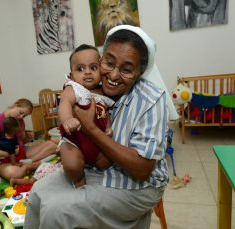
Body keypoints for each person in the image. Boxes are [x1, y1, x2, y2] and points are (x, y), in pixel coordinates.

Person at [24, 25, 169, 229]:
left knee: (58, 211)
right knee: (38, 191)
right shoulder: (90, 89)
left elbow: (142, 170)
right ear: (100, 59)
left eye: (126, 69)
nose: (114, 75)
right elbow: (67, 108)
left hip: (140, 185)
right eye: (109, 63)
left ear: (139, 73)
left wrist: (89, 128)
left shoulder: (151, 100)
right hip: (98, 168)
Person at [58, 44, 114, 188]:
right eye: (80, 69)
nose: (87, 72)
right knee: (72, 166)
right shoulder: (74, 88)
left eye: (93, 67)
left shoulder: (103, 92)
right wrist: (67, 119)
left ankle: (95, 167)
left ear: (101, 71)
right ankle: (78, 181)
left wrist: (108, 126)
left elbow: (105, 111)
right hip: (74, 140)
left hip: (97, 142)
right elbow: (64, 103)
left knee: (107, 162)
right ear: (71, 75)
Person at [0, 98, 50, 181]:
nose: (21, 117)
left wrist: (27, 137)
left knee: (52, 145)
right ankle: (31, 165)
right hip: (2, 159)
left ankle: (29, 162)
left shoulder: (20, 121)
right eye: (21, 113)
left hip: (20, 154)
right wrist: (7, 153)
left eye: (24, 116)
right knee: (15, 174)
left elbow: (21, 141)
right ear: (15, 105)